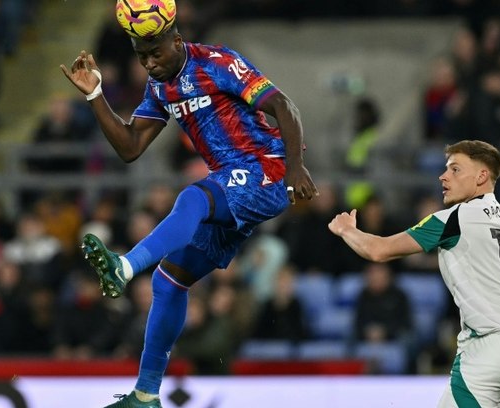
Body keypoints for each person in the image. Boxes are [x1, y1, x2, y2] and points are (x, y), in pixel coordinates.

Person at [60, 21, 318, 407]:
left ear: (177, 41)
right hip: (231, 183)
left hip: (267, 168)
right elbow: (130, 147)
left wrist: (295, 166)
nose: (149, 63)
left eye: (156, 53)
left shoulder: (218, 62)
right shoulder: (159, 87)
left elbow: (283, 105)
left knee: (192, 199)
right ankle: (146, 395)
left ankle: (126, 267)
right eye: (142, 56)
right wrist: (96, 94)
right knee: (168, 281)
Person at [328, 140, 500, 407]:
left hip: (491, 353)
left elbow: (378, 251)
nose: (443, 176)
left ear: (482, 176)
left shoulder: (453, 219)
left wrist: (347, 230)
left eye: (455, 170)